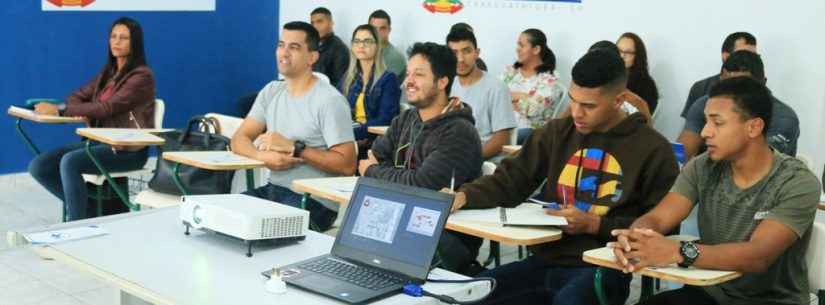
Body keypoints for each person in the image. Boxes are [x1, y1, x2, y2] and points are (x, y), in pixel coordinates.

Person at [450, 49, 680, 305]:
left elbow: (664, 227)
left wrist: (595, 224)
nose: (576, 113)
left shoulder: (653, 149)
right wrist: (463, 195)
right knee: (468, 294)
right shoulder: (557, 133)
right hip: (544, 260)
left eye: (589, 106)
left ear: (618, 100)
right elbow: (511, 180)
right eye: (573, 100)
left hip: (604, 266)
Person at [611, 77, 819, 305]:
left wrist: (679, 251)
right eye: (705, 122)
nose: (705, 132)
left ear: (754, 127)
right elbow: (659, 217)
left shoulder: (796, 181)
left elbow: (758, 255)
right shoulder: (703, 166)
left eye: (717, 123)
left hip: (773, 300)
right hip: (712, 294)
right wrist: (635, 238)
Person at [358, 42, 483, 274]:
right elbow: (373, 156)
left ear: (442, 82)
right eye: (408, 74)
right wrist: (379, 171)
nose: (408, 82)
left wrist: (374, 172)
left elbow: (423, 186)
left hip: (442, 236)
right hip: (395, 220)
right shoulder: (406, 119)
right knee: (351, 257)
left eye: (419, 74)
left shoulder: (458, 131)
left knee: (368, 260)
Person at [231, 21, 356, 232]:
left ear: (312, 57)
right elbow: (239, 139)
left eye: (294, 47)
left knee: (256, 230)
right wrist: (262, 157)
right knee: (223, 217)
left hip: (313, 202)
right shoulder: (271, 91)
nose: (284, 52)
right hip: (274, 190)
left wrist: (296, 148)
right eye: (281, 45)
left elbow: (347, 164)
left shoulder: (329, 100)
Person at [28, 17, 155, 221]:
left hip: (127, 150)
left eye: (123, 38)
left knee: (70, 162)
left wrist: (60, 110)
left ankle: (77, 225)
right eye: (113, 36)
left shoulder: (141, 76)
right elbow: (77, 96)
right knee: (39, 166)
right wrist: (80, 108)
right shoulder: (109, 73)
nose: (116, 41)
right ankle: (90, 212)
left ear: (135, 43)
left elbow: (107, 108)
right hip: (99, 143)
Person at [677, 50, 799, 160]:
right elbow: (681, 155)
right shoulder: (704, 105)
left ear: (763, 84)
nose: (732, 94)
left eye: (742, 88)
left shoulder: (783, 118)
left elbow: (755, 163)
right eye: (727, 86)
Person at [446, 29, 516, 160]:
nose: (460, 59)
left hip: (482, 160)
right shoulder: (446, 84)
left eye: (466, 51)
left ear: (476, 53)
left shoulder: (496, 87)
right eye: (454, 53)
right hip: (448, 156)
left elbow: (501, 139)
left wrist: (470, 160)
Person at [339, 24, 401, 159]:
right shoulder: (348, 78)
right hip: (350, 140)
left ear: (377, 46)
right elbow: (336, 111)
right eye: (357, 41)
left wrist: (353, 133)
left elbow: (385, 120)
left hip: (374, 143)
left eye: (367, 41)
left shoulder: (389, 79)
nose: (361, 45)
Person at [501, 28, 566, 144]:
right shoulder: (510, 72)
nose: (517, 49)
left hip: (530, 135)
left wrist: (507, 98)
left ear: (536, 49)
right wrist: (522, 96)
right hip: (502, 129)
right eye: (518, 45)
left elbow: (532, 110)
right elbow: (494, 98)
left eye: (522, 45)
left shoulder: (550, 79)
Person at [682, 32, 757, 118]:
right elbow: (691, 125)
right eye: (742, 54)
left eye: (754, 56)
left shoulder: (760, 91)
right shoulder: (701, 88)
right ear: (725, 56)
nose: (750, 60)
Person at [617, 32, 659, 114]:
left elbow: (644, 117)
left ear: (637, 56)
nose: (622, 56)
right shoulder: (606, 76)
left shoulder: (647, 85)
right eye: (619, 50)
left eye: (628, 52)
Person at [309, 7, 350, 87]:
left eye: (320, 22)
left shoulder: (340, 49)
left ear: (331, 23)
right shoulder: (310, 46)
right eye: (312, 23)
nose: (315, 26)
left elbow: (340, 85)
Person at [367, 10, 406, 81]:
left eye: (382, 28)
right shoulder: (360, 51)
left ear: (389, 30)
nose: (377, 32)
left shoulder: (395, 57)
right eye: (374, 28)